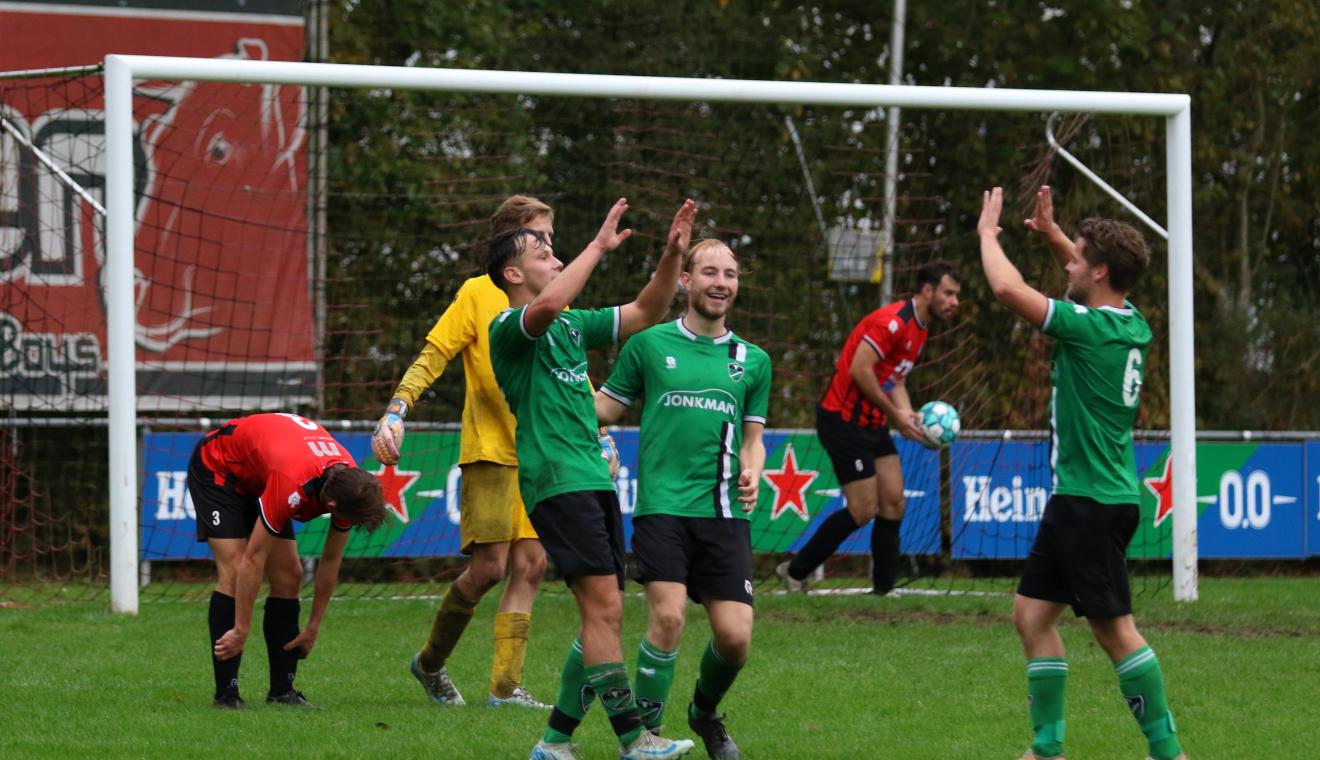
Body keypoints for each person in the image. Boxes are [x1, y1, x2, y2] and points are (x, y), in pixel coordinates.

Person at [979, 185, 1186, 760]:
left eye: (1077, 255)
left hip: (1088, 503)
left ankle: (1170, 754)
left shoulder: (1086, 327)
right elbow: (1087, 276)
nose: (1067, 262)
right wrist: (1052, 236)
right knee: (1031, 615)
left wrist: (987, 236)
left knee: (1114, 632)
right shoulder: (1130, 322)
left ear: (1097, 271)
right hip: (1092, 496)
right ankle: (1047, 750)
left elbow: (1005, 288)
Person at [488, 197, 698, 760]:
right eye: (541, 249)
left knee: (604, 612)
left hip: (591, 478)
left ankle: (554, 742)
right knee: (602, 610)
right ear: (513, 274)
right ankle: (635, 741)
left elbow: (646, 311)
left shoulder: (573, 326)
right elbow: (551, 303)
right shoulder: (509, 326)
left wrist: (672, 258)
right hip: (558, 481)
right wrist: (599, 247)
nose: (552, 255)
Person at [372, 195, 562, 709]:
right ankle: (430, 663)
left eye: (551, 239)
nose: (550, 248)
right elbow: (434, 353)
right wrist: (397, 409)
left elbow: (568, 376)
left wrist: (598, 434)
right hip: (491, 451)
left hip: (540, 455)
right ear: (511, 249)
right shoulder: (477, 294)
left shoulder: (555, 298)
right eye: (540, 238)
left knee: (533, 565)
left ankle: (505, 687)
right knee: (490, 569)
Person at [595, 239, 770, 760]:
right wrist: (559, 389)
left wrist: (753, 467)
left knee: (736, 640)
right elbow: (604, 408)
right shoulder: (648, 346)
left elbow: (754, 437)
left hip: (723, 513)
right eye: (710, 272)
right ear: (687, 281)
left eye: (731, 274)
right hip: (662, 508)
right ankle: (643, 739)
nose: (722, 282)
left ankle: (703, 713)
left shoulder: (753, 361)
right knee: (668, 618)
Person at [776, 260, 961, 595]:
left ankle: (883, 593)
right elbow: (861, 370)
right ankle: (794, 570)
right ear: (927, 290)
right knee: (863, 509)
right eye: (948, 294)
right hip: (842, 420)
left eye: (956, 296)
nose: (954, 302)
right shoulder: (892, 322)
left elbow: (897, 378)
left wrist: (908, 416)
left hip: (872, 423)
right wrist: (895, 415)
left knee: (893, 501)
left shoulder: (921, 329)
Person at [197, 412, 387, 709]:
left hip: (262, 473)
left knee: (289, 575)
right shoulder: (293, 484)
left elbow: (331, 560)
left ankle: (282, 692)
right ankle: (227, 695)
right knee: (235, 571)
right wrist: (241, 628)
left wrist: (313, 627)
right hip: (220, 466)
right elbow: (252, 560)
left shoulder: (350, 484)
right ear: (333, 506)